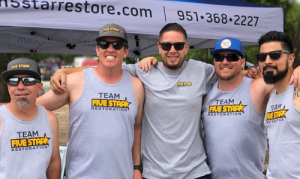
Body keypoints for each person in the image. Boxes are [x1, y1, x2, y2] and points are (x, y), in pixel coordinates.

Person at [51, 23, 217, 179]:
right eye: (166, 45)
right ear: (159, 47)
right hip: (155, 172)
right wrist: (64, 71)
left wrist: (245, 74)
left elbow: (229, 71)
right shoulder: (144, 71)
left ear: (186, 48)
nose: (172, 50)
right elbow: (104, 67)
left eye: (178, 45)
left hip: (196, 172)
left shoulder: (203, 71)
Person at [37, 23, 145, 179]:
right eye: (104, 44)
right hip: (81, 175)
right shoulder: (75, 81)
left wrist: (136, 168)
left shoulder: (137, 86)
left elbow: (137, 128)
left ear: (125, 51)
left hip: (123, 174)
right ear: (97, 49)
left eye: (117, 44)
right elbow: (32, 108)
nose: (110, 48)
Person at [201, 37, 273, 179]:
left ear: (242, 62)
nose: (225, 61)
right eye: (219, 57)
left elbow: (284, 80)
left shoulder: (256, 87)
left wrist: (296, 71)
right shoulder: (205, 93)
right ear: (214, 62)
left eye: (232, 57)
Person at [0, 58, 61, 179]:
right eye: (13, 81)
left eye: (28, 80)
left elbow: (54, 161)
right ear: (8, 87)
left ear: (40, 87)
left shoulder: (50, 119)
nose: (20, 86)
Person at [257, 31, 300, 179]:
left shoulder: (298, 91)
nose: (267, 61)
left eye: (275, 55)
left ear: (290, 58)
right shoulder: (271, 96)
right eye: (262, 57)